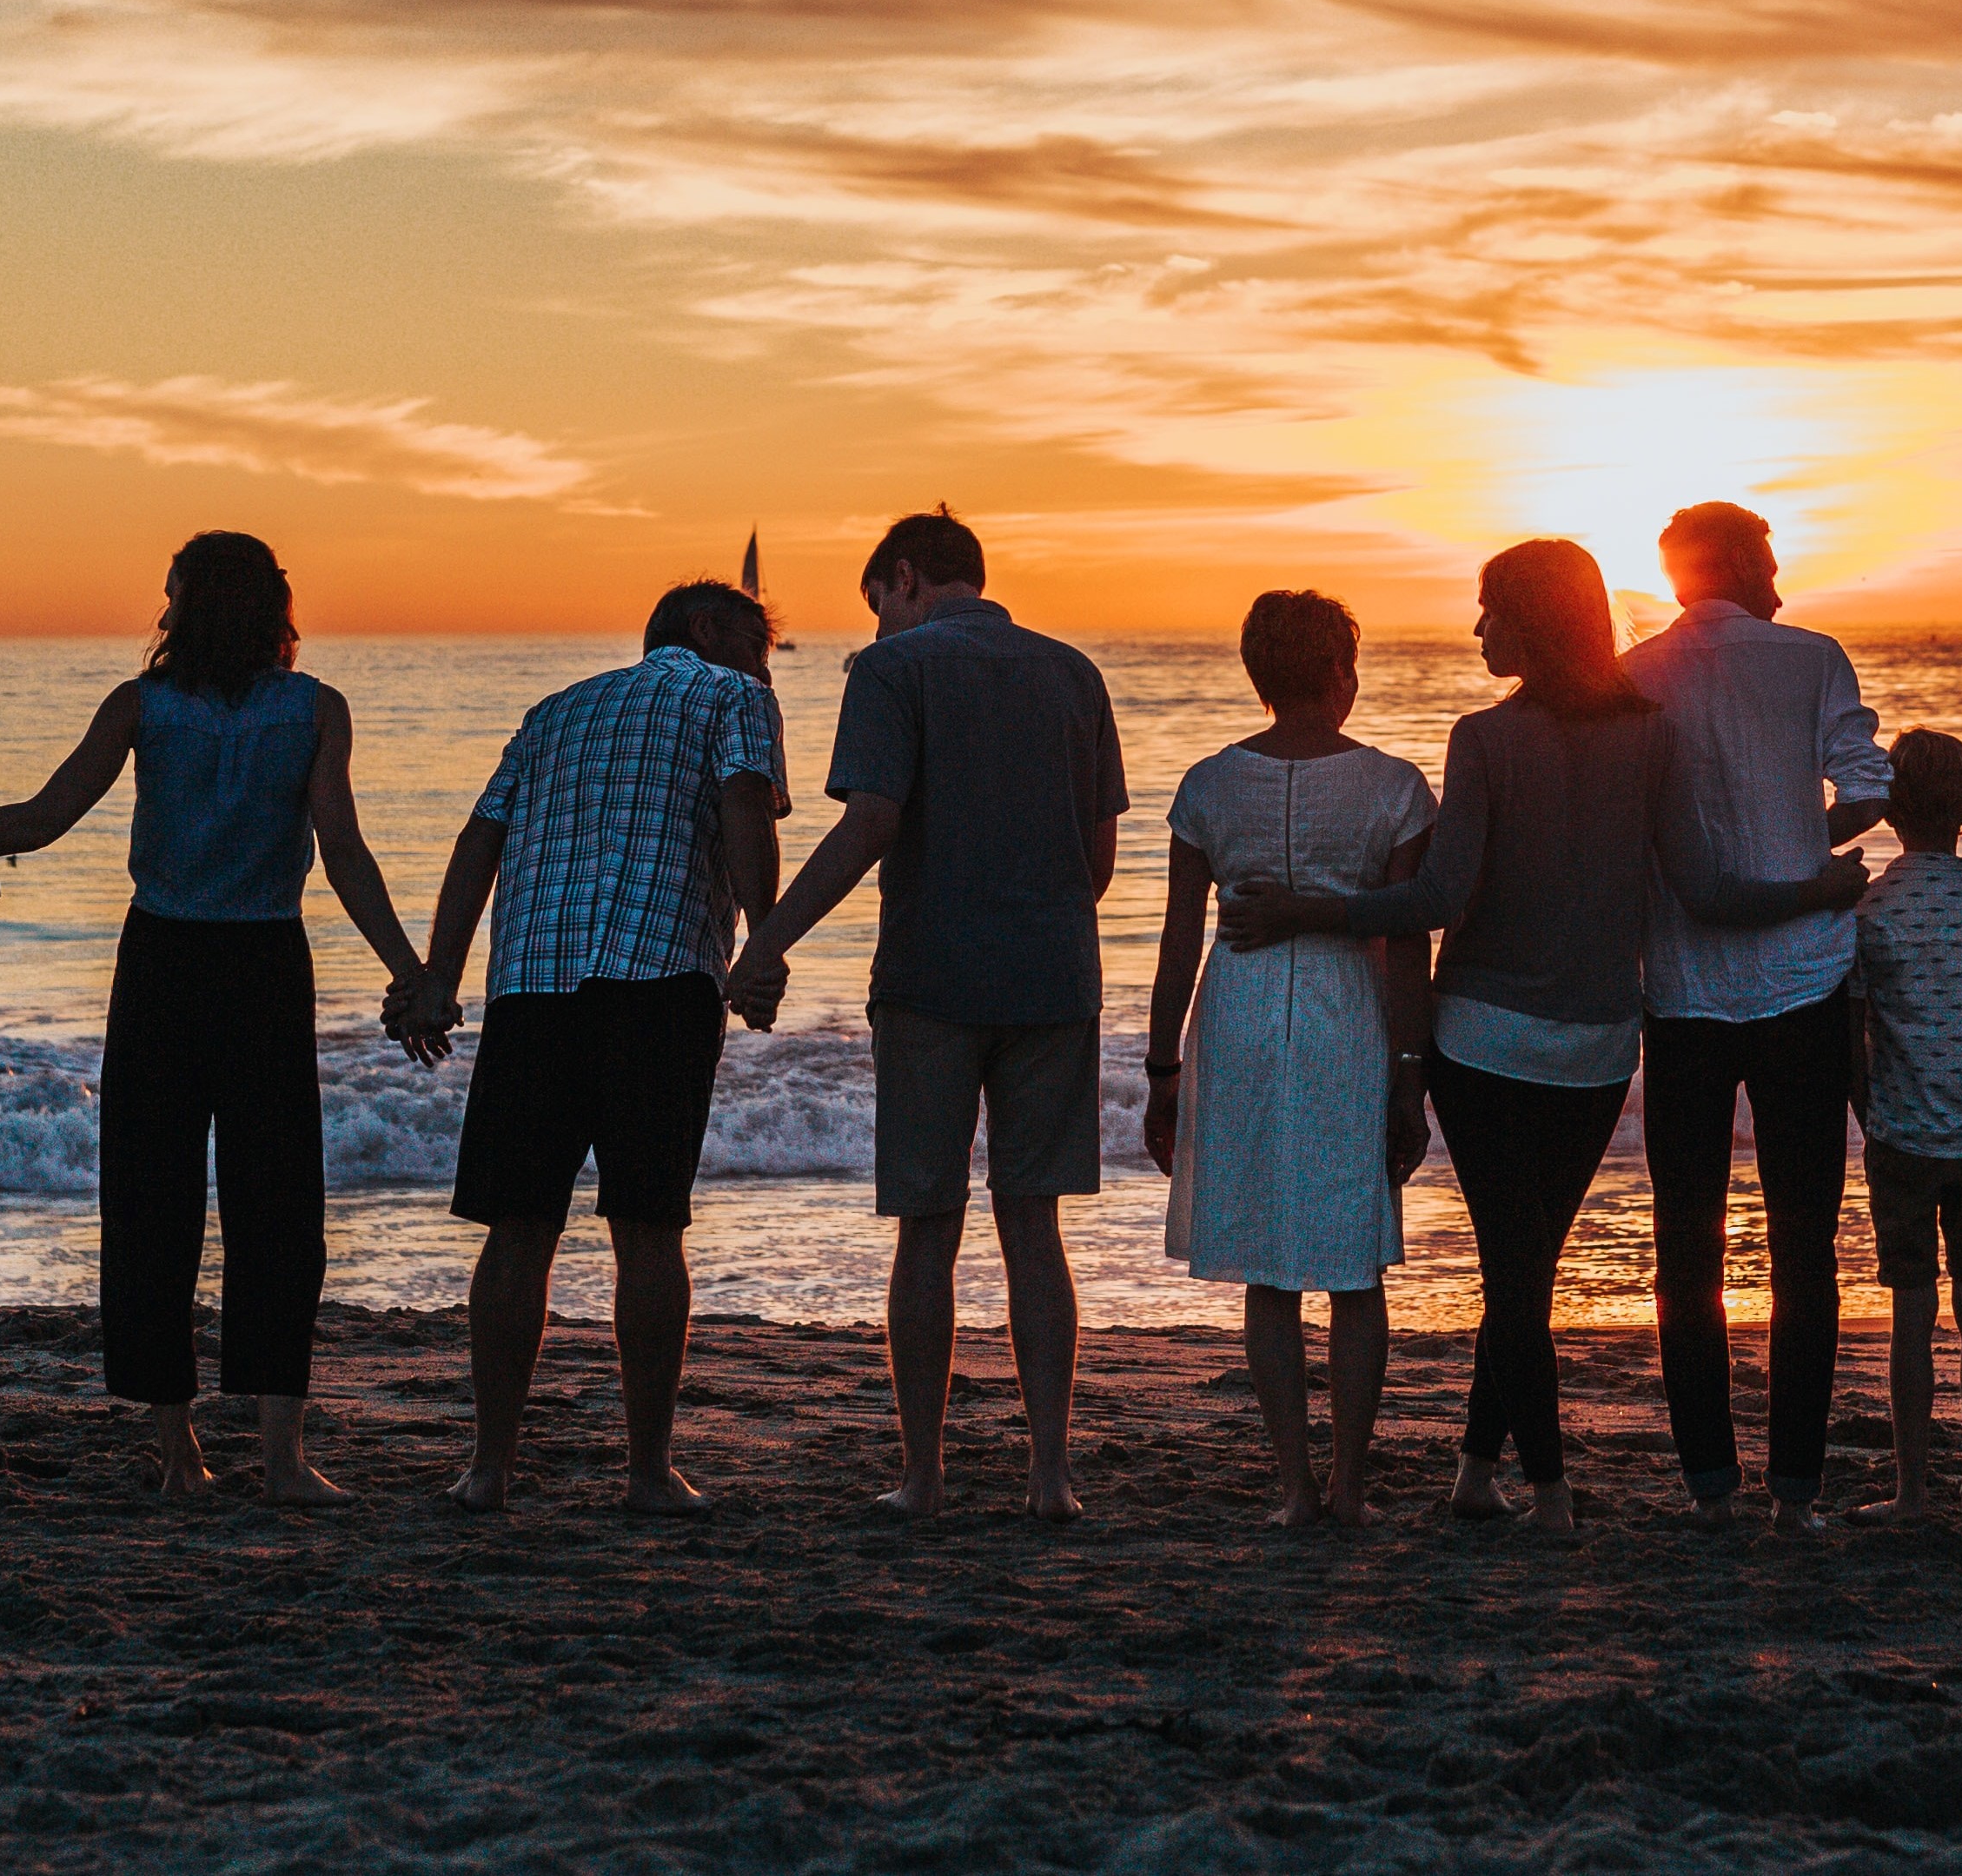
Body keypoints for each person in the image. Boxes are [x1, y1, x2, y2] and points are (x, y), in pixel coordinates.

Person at [1224, 540, 1851, 1534]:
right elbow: (1706, 890)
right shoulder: (1651, 733)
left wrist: (1304, 908)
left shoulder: (1480, 737)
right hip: (1599, 1049)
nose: (1478, 630)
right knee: (1525, 1268)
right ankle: (1478, 1470)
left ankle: (1552, 1494)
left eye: (1490, 611)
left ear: (1533, 619)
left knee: (1515, 1277)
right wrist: (1816, 888)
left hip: (1482, 1041)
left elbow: (1434, 897)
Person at [0, 533, 428, 1506]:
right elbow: (340, 850)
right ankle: (273, 1459)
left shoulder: (161, 704)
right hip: (251, 963)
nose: (163, 604)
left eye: (172, 590)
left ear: (194, 604)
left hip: (178, 964)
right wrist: (411, 970)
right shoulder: (301, 707)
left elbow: (40, 819)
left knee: (159, 1202)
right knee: (273, 1208)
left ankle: (191, 1452)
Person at [727, 511, 1127, 1521]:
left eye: (878, 604)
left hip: (932, 977)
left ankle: (925, 1475)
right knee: (1034, 1228)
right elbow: (1101, 865)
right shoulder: (1074, 672)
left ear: (905, 578)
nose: (878, 625)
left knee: (927, 1227)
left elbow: (871, 819)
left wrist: (767, 938)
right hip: (1053, 978)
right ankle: (1049, 1476)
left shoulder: (890, 671)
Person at [399, 581, 787, 1516]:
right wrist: (765, 941)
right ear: (706, 630)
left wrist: (437, 975)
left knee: (518, 1226)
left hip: (534, 982)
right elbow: (744, 802)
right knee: (648, 1226)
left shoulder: (555, 708)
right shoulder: (733, 696)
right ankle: (649, 1473)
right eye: (759, 641)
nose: (767, 660)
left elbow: (478, 841)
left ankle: (489, 1468)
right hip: (659, 978)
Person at [1623, 501, 1892, 1537]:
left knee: (1683, 1239)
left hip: (1681, 988)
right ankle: (1795, 1490)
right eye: (1771, 556)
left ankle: (1708, 1483)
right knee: (1804, 1240)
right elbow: (1869, 786)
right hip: (1802, 983)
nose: (1781, 575)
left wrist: (1751, 848)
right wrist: (1799, 838)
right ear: (1739, 560)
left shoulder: (1637, 671)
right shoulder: (1813, 657)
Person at [1139, 592, 1435, 1528]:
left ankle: (1295, 1489)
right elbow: (1411, 943)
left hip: (1240, 1017)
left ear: (1258, 677)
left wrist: (1160, 1071)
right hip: (1351, 1017)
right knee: (1354, 1266)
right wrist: (1410, 1072)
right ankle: (1349, 1487)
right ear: (1341, 673)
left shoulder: (1208, 785)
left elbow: (1179, 940)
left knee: (1271, 1269)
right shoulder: (1394, 786)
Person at [1840, 729, 1962, 1531]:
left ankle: (1913, 1490)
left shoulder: (1870, 908)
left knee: (1910, 1312)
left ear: (1889, 811)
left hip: (1902, 1134)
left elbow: (1854, 1031)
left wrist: (1869, 1109)